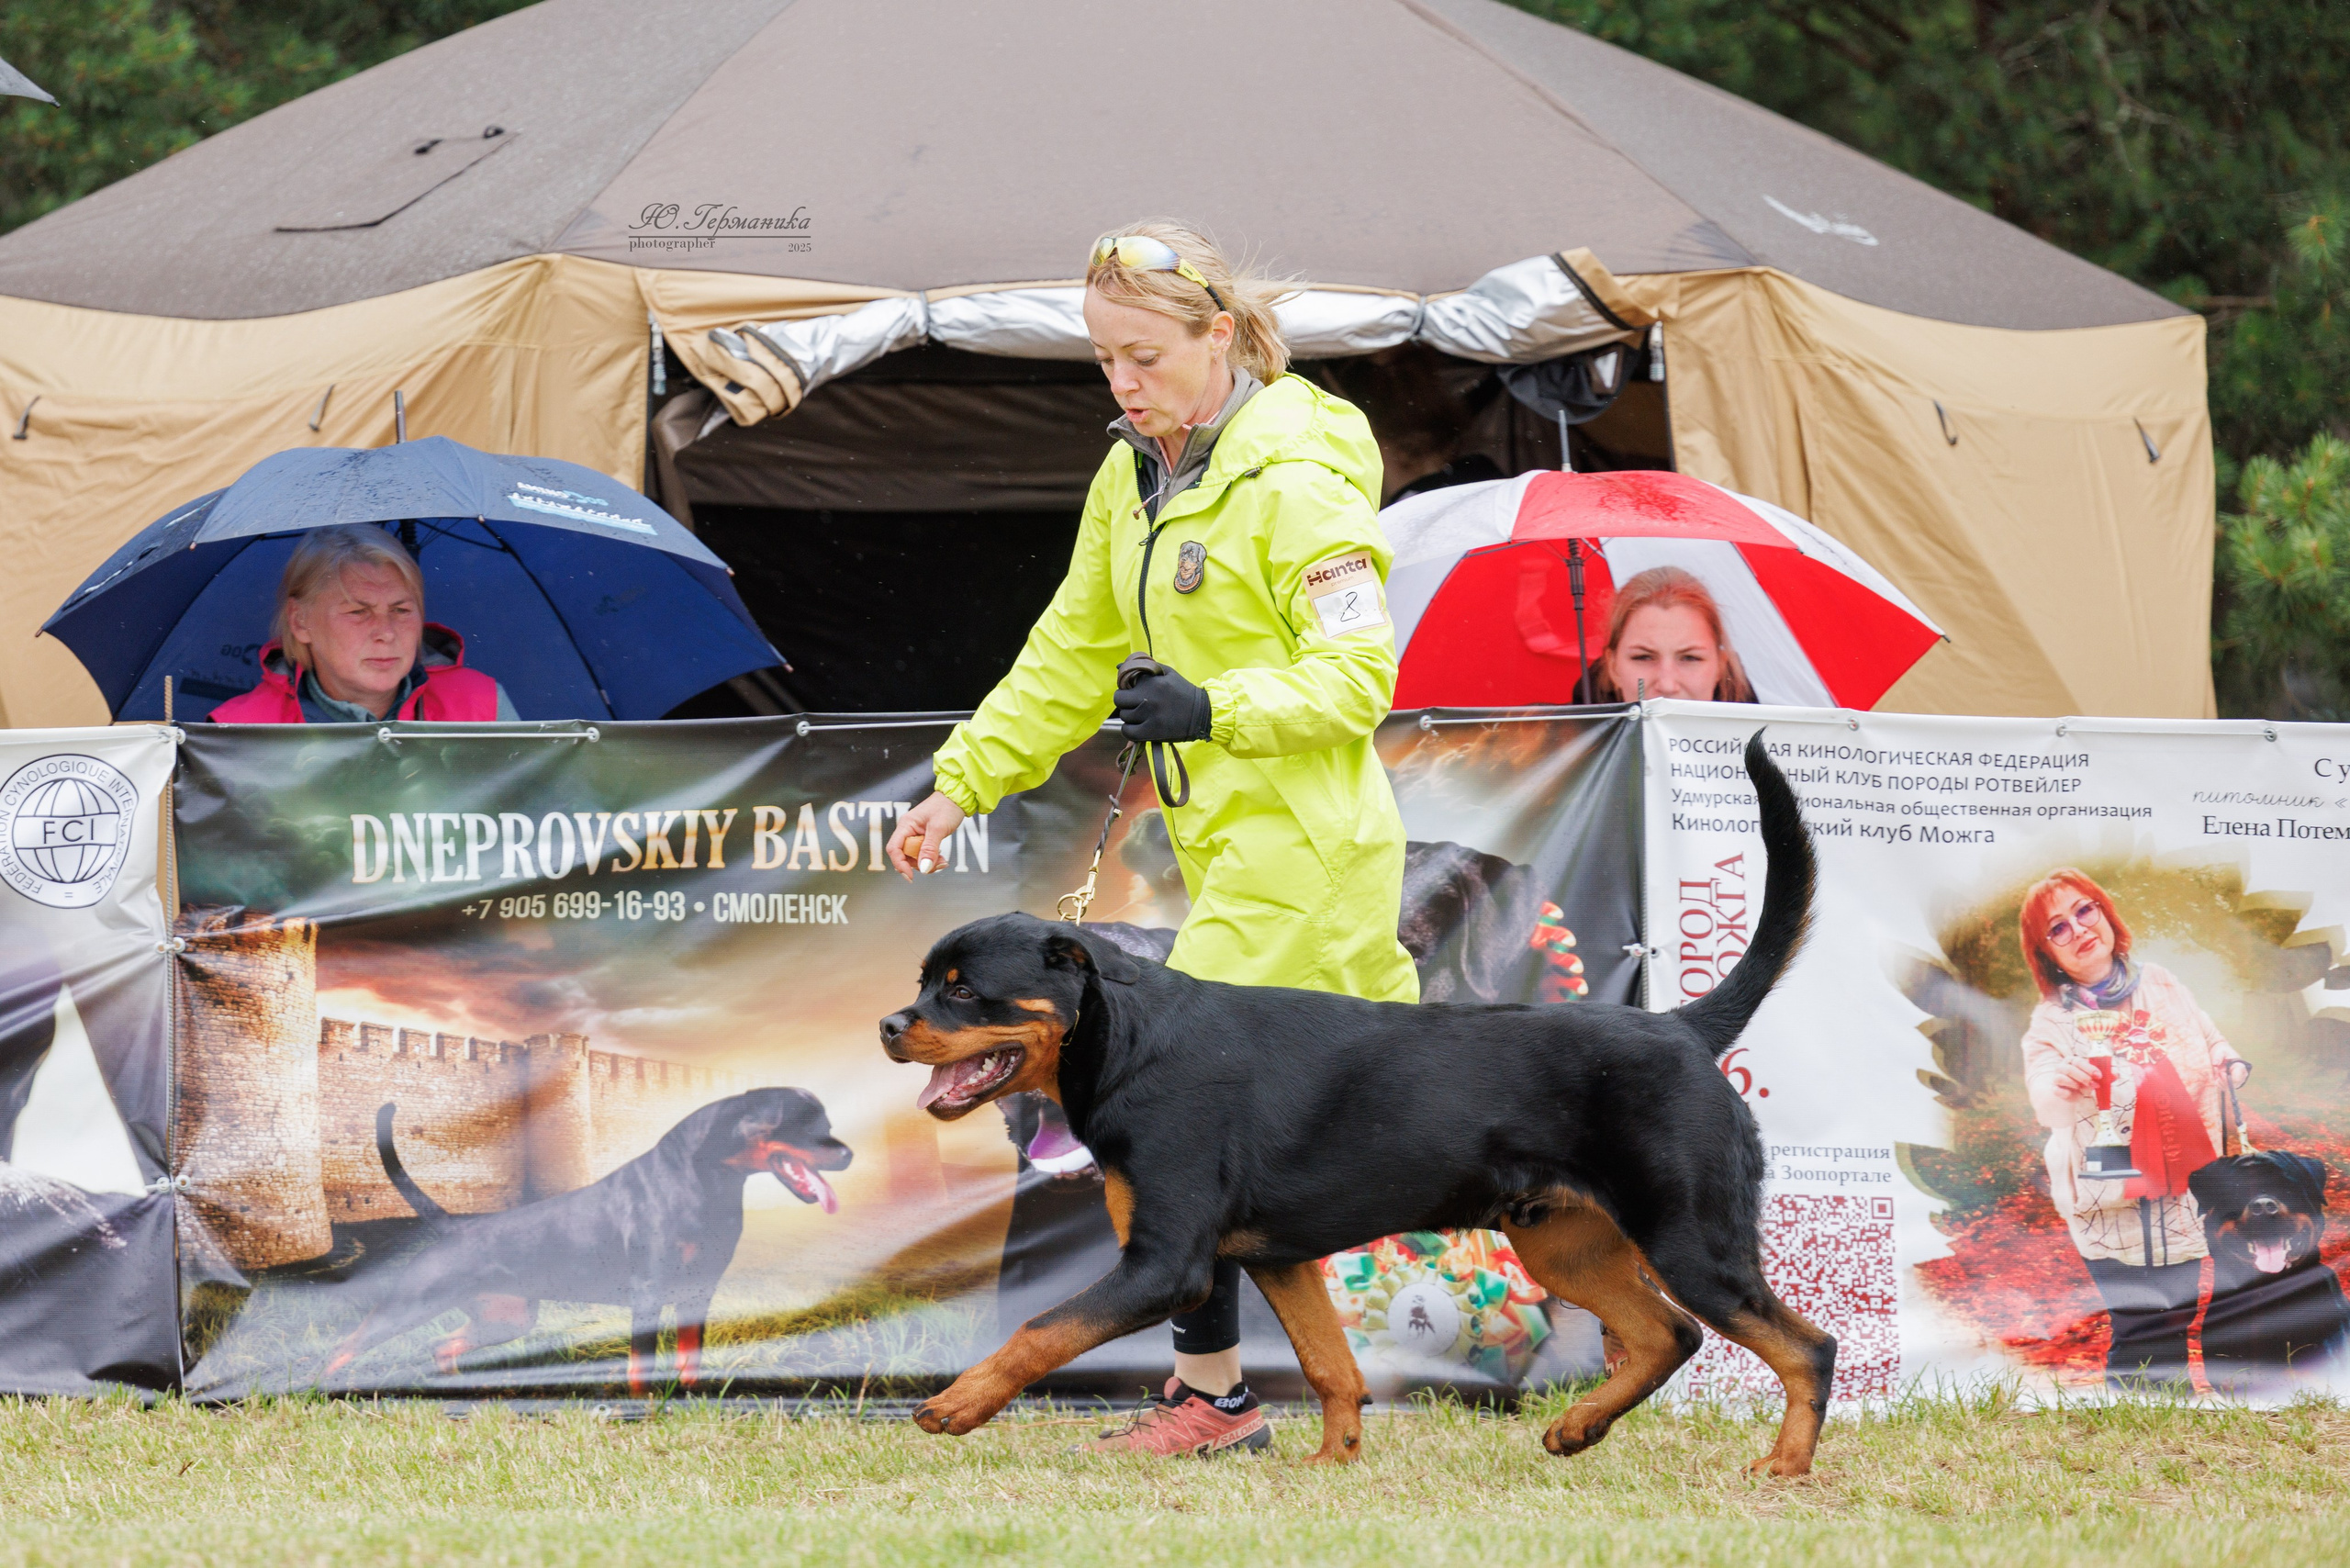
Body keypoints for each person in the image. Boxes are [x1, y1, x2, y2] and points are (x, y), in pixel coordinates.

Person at [886, 220, 1418, 1456]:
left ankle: (1214, 1400)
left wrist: (1213, 708)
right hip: (1226, 855)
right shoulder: (1131, 477)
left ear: (1218, 336)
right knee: (1355, 1135)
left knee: (1177, 1117)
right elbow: (1069, 652)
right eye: (1105, 361)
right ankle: (1243, 1394)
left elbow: (1360, 679)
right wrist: (960, 783)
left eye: (1145, 357)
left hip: (1311, 858)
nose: (1124, 383)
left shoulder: (1301, 480)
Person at [2018, 868, 2246, 1391]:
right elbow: (2044, 1101)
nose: (2077, 929)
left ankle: (2173, 1409)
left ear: (2104, 913)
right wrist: (2062, 1084)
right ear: (2047, 953)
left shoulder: (2162, 982)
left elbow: (2209, 1037)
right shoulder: (2050, 1022)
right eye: (2057, 928)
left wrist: (2229, 1062)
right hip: (2108, 1197)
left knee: (2180, 1311)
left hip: (2183, 1188)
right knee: (2137, 1319)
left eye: (2084, 910)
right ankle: (2134, 1416)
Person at [209, 525, 516, 723]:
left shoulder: (482, 708)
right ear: (300, 621)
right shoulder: (239, 734)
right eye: (358, 612)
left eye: (400, 609)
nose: (385, 633)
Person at [1579, 566, 1756, 702]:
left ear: (1720, 667)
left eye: (1690, 658)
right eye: (1643, 657)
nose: (1667, 685)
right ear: (1613, 667)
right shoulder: (1561, 746)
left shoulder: (1771, 747)